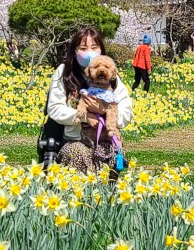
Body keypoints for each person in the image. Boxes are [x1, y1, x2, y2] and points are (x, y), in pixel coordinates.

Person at [45, 27, 133, 172]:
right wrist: (86, 116)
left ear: (101, 50)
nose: (89, 53)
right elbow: (54, 108)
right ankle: (81, 193)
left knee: (111, 156)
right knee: (77, 153)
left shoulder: (112, 75)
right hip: (75, 139)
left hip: (106, 139)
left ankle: (104, 193)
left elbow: (127, 112)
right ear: (74, 50)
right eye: (83, 48)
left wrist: (104, 111)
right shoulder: (64, 72)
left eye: (94, 47)